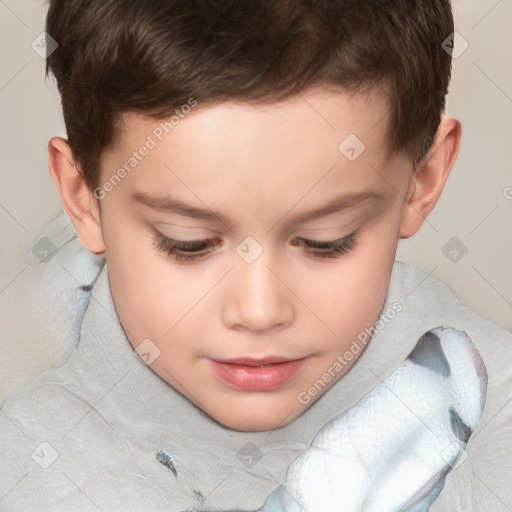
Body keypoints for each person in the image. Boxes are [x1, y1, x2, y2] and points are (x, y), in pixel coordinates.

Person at [1, 1, 510, 510]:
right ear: (83, 197)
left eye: (326, 240)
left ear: (422, 181)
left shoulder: (499, 420)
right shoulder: (27, 469)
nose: (259, 310)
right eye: (187, 243)